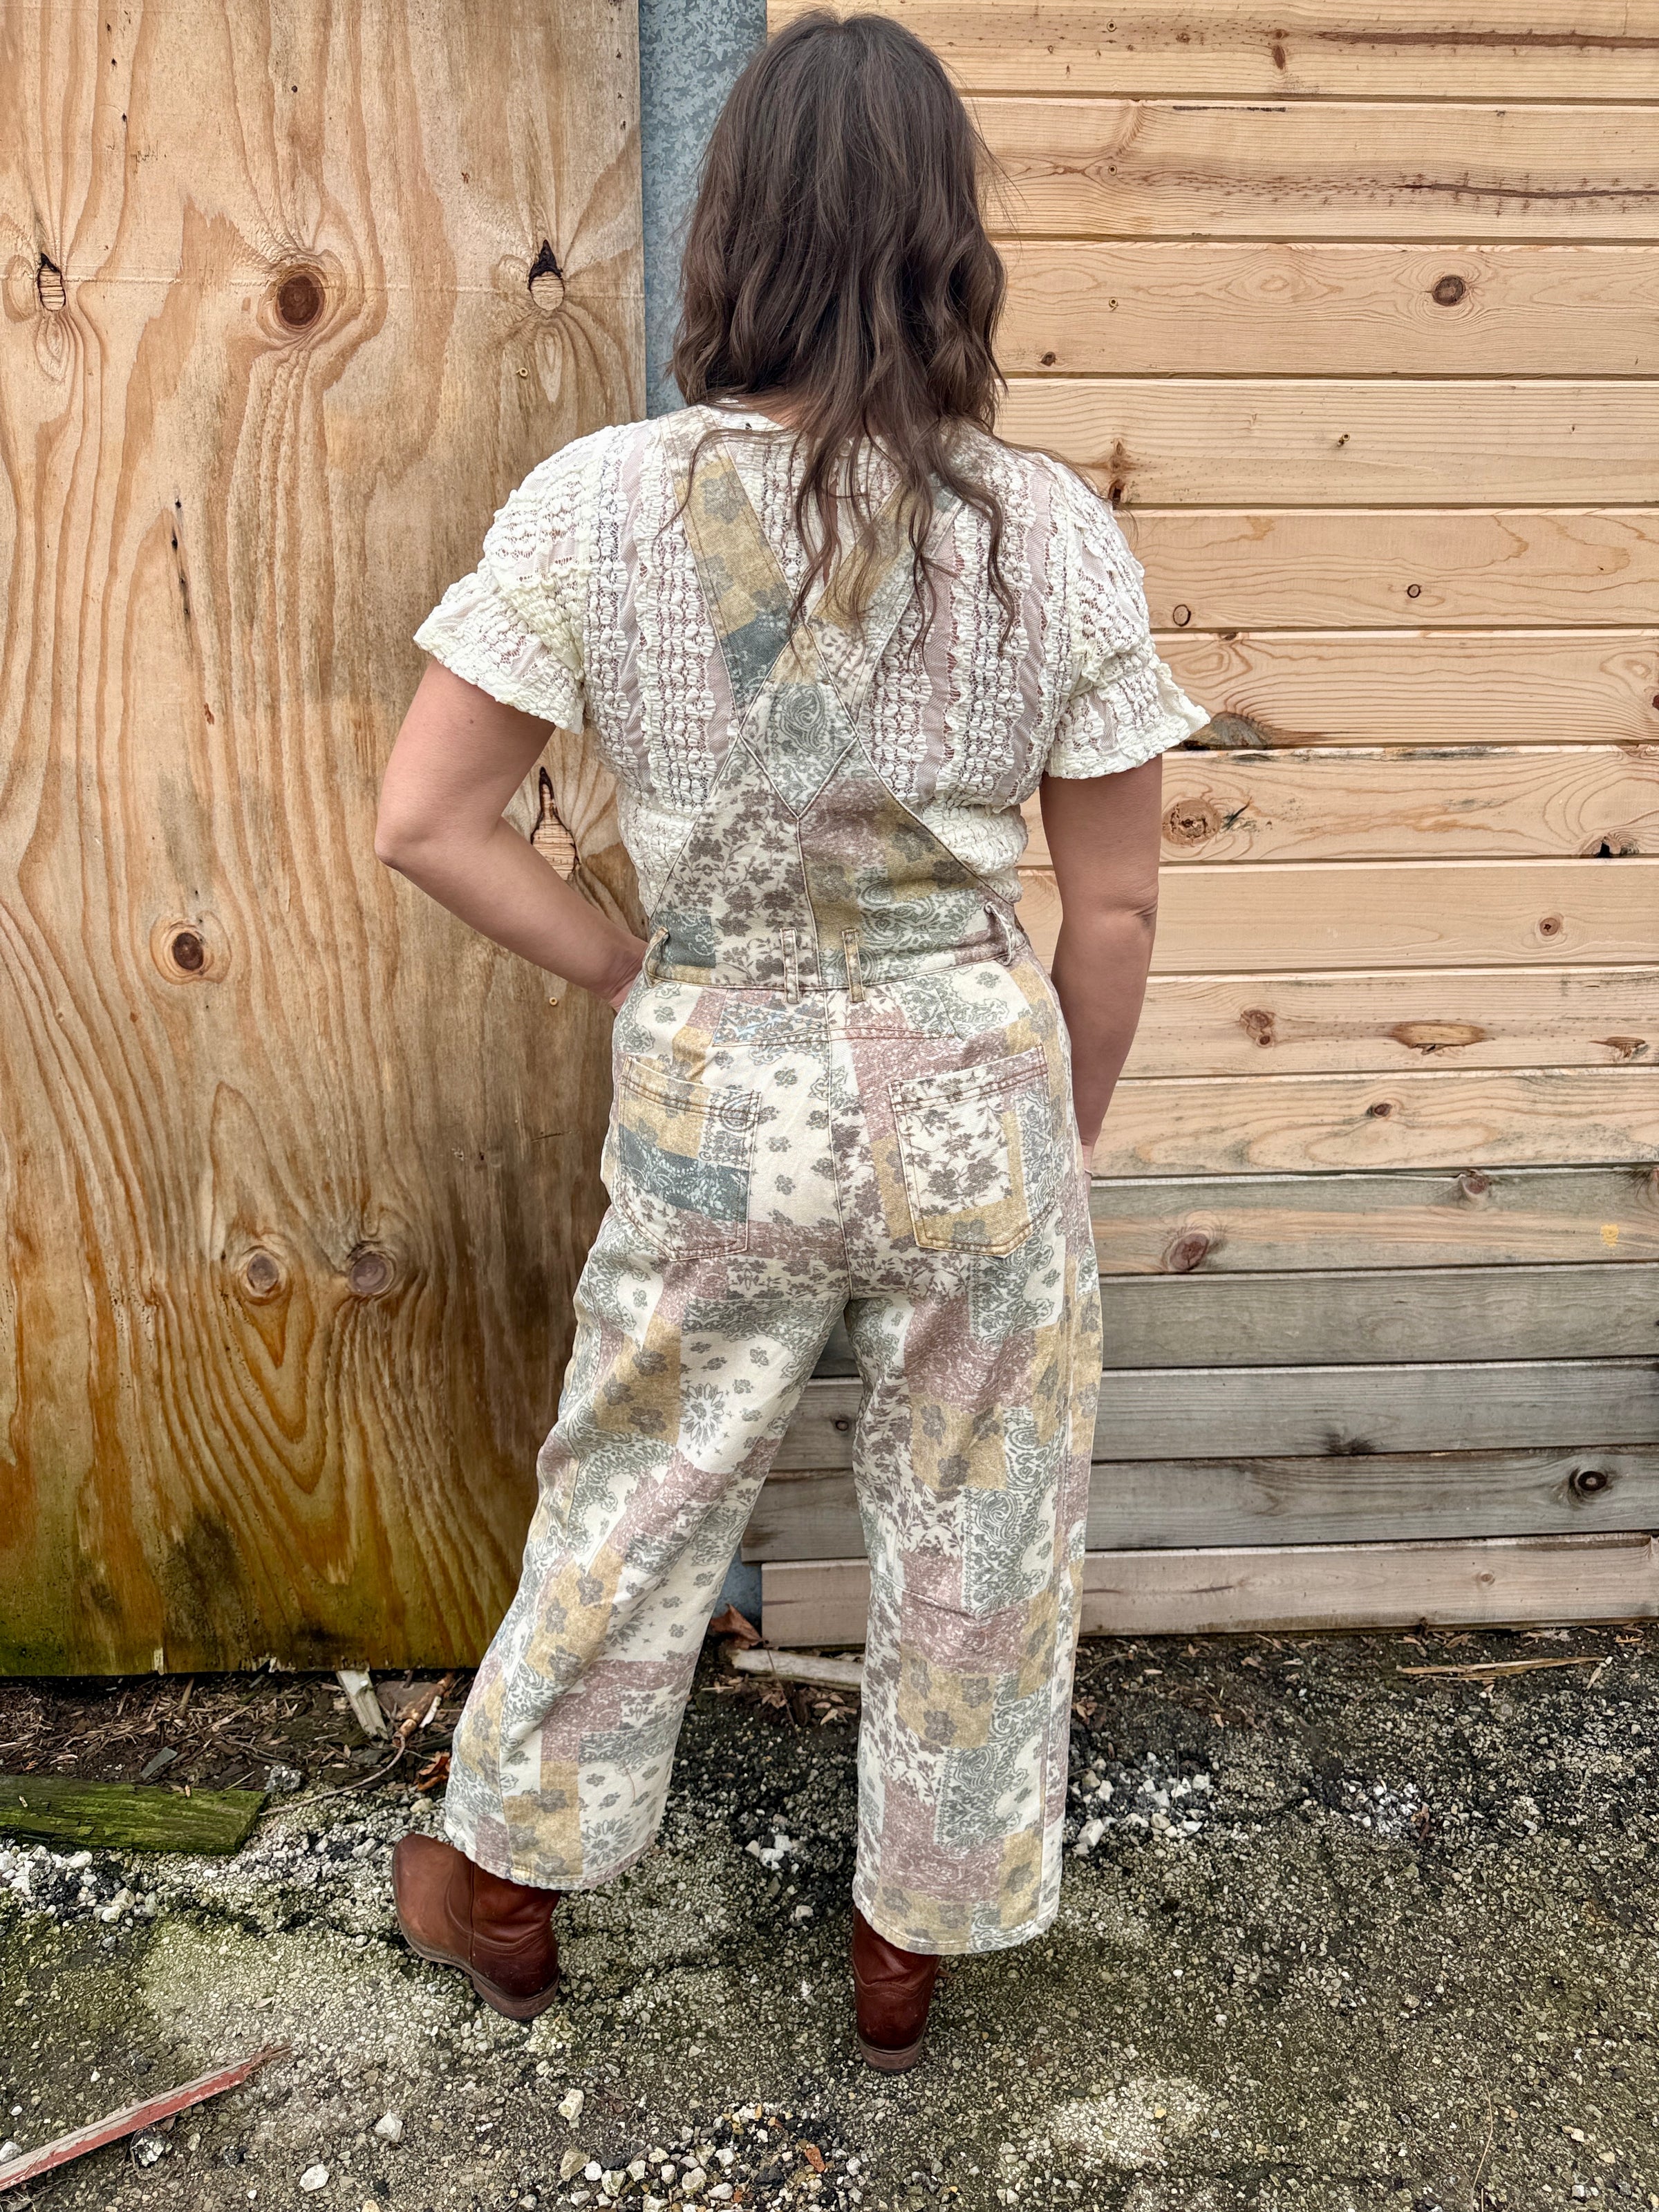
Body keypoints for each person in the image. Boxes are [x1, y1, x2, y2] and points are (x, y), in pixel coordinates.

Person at [375, 7, 1207, 2067]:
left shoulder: (593, 507)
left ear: (732, 229)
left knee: (636, 1490)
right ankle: (906, 1947)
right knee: (981, 1526)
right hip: (973, 1104)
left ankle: (505, 1890)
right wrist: (1061, 1125)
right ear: (950, 246)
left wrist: (631, 975)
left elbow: (429, 824)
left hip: (716, 1100)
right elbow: (1111, 908)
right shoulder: (1048, 531)